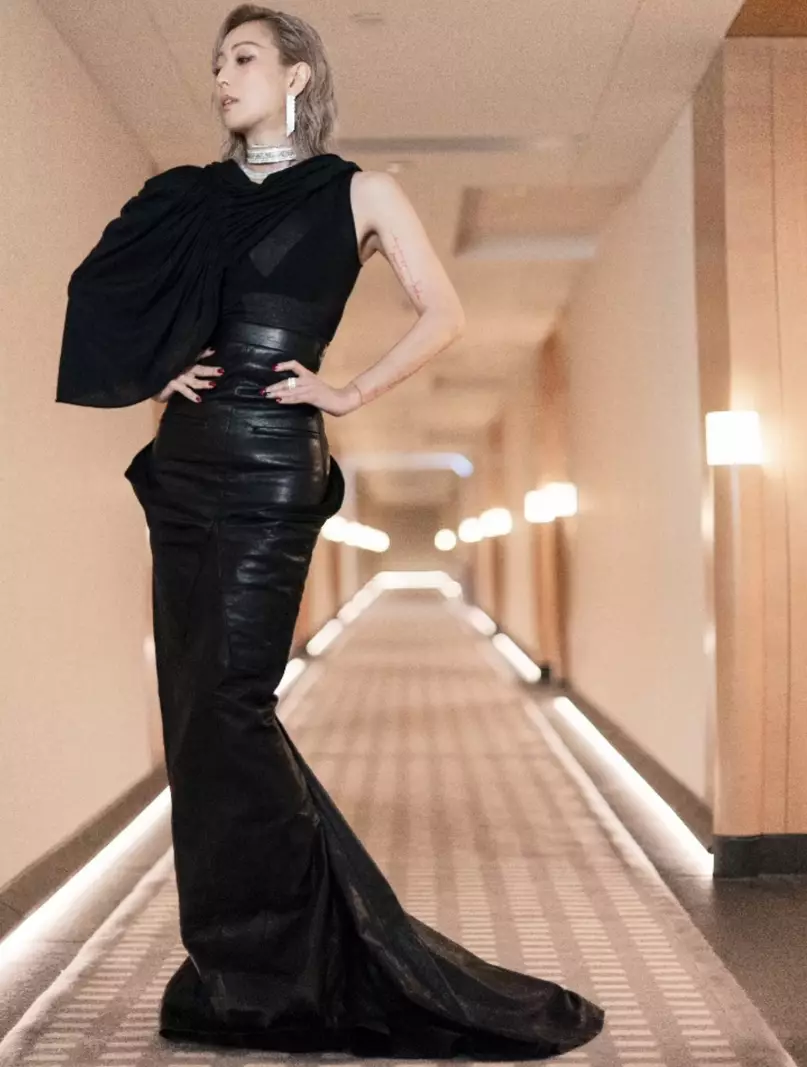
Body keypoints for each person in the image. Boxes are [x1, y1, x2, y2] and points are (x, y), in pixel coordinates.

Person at [55, 3, 605, 1059]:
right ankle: (242, 966)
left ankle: (305, 956)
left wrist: (349, 392)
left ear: (297, 74)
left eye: (243, 58)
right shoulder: (189, 195)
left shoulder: (361, 191)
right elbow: (100, 290)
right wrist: (156, 371)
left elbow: (444, 314)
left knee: (233, 701)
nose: (222, 77)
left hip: (273, 462)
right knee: (193, 711)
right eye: (217, 63)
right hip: (186, 459)